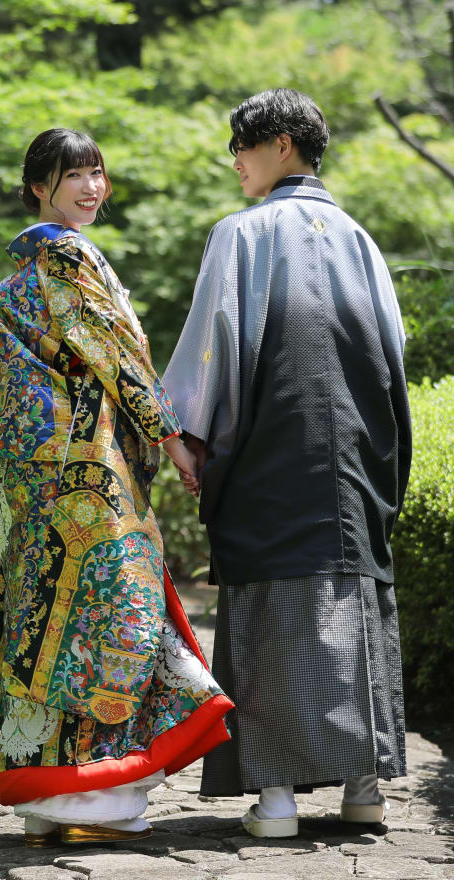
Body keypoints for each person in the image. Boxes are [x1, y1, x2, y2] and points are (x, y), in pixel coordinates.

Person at [0, 127, 234, 848]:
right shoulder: (70, 257)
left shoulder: (19, 277)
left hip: (39, 482)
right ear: (37, 187)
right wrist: (172, 438)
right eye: (72, 174)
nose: (90, 188)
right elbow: (118, 357)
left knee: (43, 617)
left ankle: (43, 800)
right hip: (90, 472)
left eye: (96, 173)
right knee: (109, 619)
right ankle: (95, 800)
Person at [162, 89, 411, 838]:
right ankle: (364, 790)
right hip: (356, 453)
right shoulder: (360, 239)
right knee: (353, 597)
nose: (235, 163)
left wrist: (183, 433)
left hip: (271, 445)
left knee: (273, 602)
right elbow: (393, 354)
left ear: (280, 144)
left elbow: (213, 341)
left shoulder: (241, 234)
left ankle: (275, 801)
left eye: (242, 147)